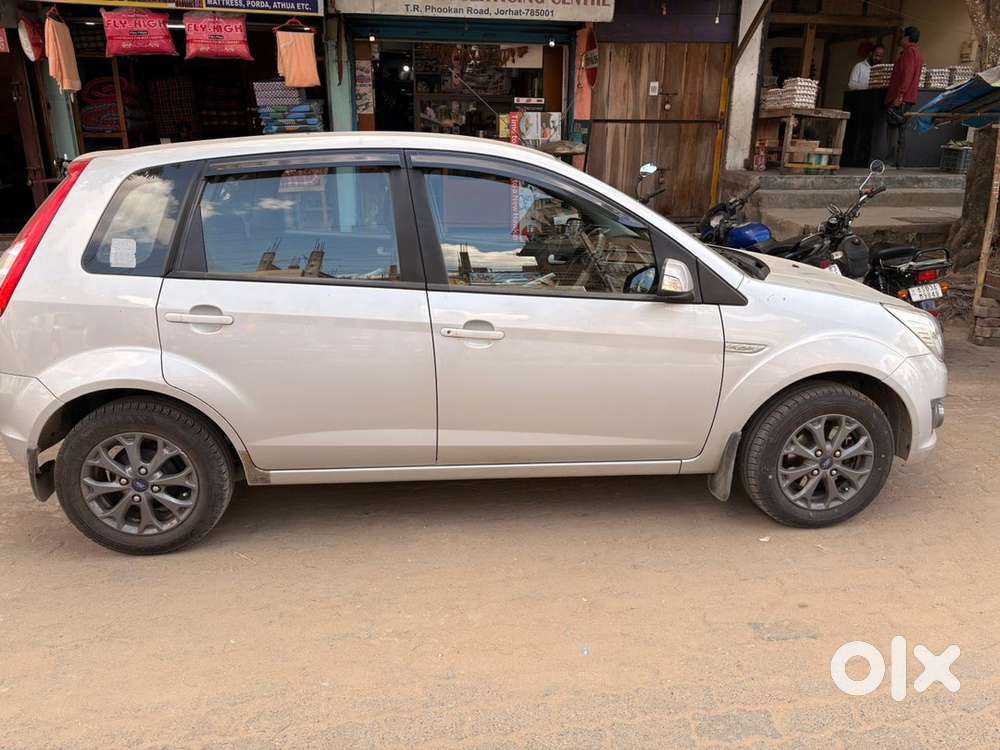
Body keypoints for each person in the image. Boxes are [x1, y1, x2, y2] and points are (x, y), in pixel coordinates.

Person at [876, 27, 924, 166]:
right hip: (909, 97)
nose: (900, 39)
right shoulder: (917, 53)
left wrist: (900, 95)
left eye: (902, 36)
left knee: (892, 127)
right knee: (902, 129)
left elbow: (907, 75)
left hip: (901, 97)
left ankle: (891, 159)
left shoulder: (909, 52)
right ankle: (899, 161)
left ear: (907, 38)